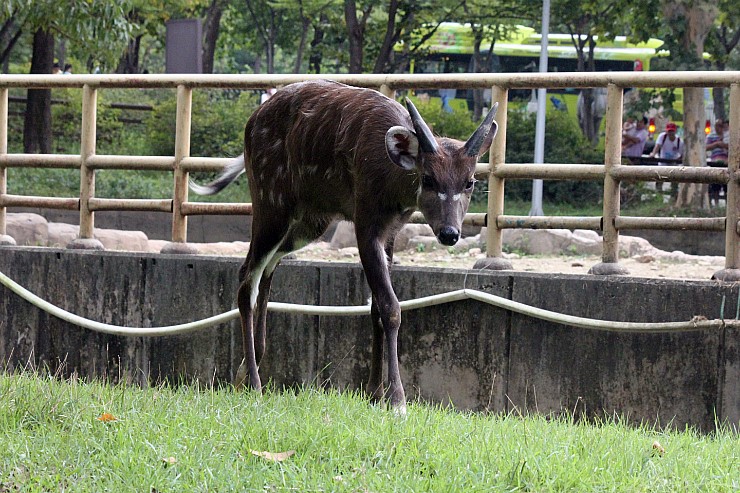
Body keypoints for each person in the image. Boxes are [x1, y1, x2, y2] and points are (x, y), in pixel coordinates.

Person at [649, 122, 683, 193]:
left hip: (674, 164)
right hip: (662, 162)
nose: (670, 133)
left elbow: (682, 154)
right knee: (659, 179)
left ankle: (673, 196)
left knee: (674, 182)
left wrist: (677, 160)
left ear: (675, 131)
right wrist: (653, 154)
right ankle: (658, 194)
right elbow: (657, 146)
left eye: (672, 131)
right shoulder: (662, 137)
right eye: (669, 131)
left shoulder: (679, 141)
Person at [706, 118, 729, 207]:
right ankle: (715, 204)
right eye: (716, 125)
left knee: (727, 185)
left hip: (726, 163)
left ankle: (728, 204)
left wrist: (723, 144)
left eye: (720, 126)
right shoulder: (711, 136)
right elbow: (705, 147)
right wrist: (716, 144)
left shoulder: (728, 136)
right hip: (714, 162)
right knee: (715, 184)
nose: (718, 128)